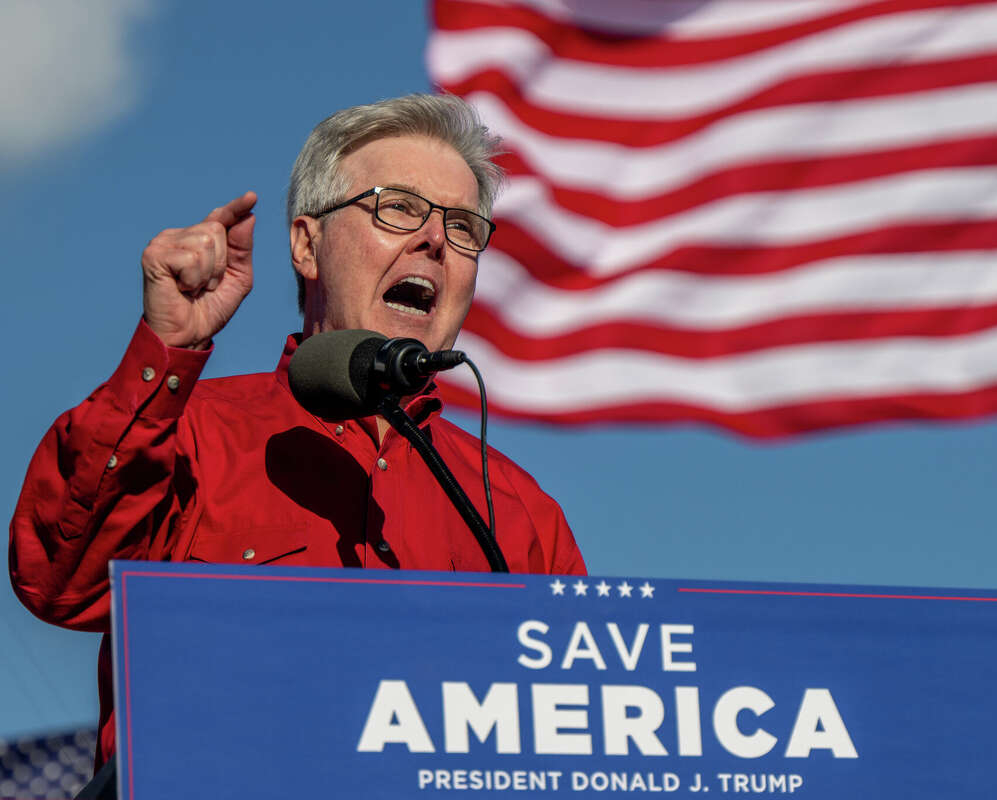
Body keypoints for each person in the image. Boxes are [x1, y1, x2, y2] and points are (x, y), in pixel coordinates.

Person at [8, 94, 586, 765]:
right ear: (308, 246)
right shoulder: (188, 433)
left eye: (462, 227)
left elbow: (571, 738)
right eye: (398, 206)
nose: (434, 239)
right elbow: (59, 582)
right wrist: (166, 351)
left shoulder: (518, 513)